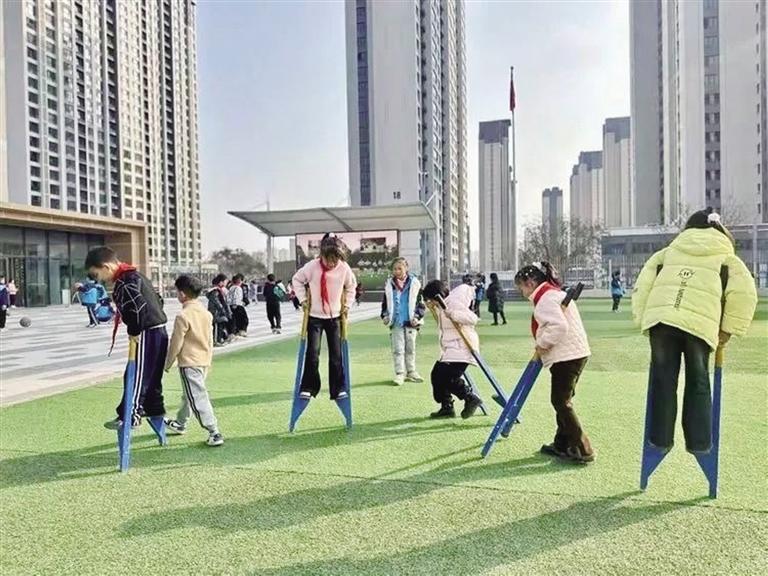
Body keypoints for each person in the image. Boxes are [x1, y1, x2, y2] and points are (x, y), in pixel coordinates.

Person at [632, 208, 757, 455]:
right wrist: (728, 330)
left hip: (662, 320)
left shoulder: (667, 252)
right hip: (700, 324)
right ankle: (699, 442)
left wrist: (644, 318)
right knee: (698, 380)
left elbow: (643, 284)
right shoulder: (726, 256)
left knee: (662, 379)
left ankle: (660, 439)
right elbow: (744, 294)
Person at [515, 261, 594, 464]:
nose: (522, 292)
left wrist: (542, 344)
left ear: (530, 282)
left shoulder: (546, 299)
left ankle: (582, 448)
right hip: (576, 353)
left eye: (521, 287)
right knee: (563, 400)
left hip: (566, 356)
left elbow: (559, 327)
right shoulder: (554, 293)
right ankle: (562, 443)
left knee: (561, 401)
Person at [85, 246, 167, 430]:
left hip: (147, 331)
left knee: (136, 375)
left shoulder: (125, 281)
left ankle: (131, 416)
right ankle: (154, 409)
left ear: (106, 267)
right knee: (151, 376)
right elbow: (158, 300)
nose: (99, 279)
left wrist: (134, 330)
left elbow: (137, 307)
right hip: (158, 330)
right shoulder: (137, 276)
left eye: (97, 274)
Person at [292, 233, 357, 402]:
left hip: (335, 317)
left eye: (336, 259)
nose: (332, 263)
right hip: (314, 317)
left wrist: (347, 305)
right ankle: (308, 387)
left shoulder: (344, 268)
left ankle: (337, 388)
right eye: (329, 259)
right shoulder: (312, 267)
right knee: (313, 353)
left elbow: (351, 286)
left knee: (336, 355)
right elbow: (297, 280)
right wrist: (303, 300)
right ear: (322, 255)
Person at [164, 275, 224, 447]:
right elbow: (210, 340)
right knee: (189, 394)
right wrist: (209, 360)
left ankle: (214, 431)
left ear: (182, 294)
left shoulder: (183, 316)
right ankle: (180, 423)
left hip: (189, 362)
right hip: (203, 360)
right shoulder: (206, 314)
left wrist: (168, 363)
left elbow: (176, 343)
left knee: (197, 397)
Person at [421, 279, 484, 419]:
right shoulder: (442, 306)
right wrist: (434, 308)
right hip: (451, 350)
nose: (431, 302)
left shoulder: (453, 303)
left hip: (462, 349)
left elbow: (473, 318)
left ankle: (470, 397)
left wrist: (454, 314)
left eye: (431, 299)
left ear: (437, 296)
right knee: (436, 375)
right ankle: (447, 406)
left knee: (448, 378)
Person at [381, 257, 425, 386]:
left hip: (411, 322)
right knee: (398, 349)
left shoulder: (415, 284)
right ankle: (400, 373)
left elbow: (420, 303)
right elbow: (385, 303)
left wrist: (417, 316)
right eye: (394, 269)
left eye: (400, 268)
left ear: (406, 268)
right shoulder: (389, 285)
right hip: (396, 322)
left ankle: (411, 371)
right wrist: (385, 316)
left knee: (410, 348)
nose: (397, 271)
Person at [207, 274, 231, 346]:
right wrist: (222, 309)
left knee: (220, 326)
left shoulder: (220, 290)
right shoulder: (215, 291)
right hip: (216, 312)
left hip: (219, 312)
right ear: (221, 282)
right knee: (216, 326)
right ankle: (215, 341)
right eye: (225, 281)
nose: (226, 283)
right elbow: (217, 302)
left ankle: (219, 339)